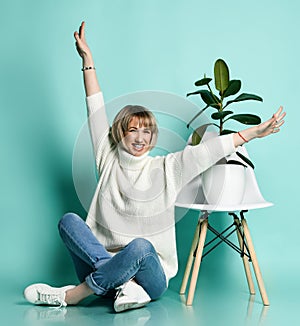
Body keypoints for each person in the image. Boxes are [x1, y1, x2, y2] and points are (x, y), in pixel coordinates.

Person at [23, 22, 286, 313]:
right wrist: (88, 62)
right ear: (120, 133)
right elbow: (95, 110)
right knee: (69, 221)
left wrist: (253, 133)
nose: (140, 137)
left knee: (140, 247)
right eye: (132, 130)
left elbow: (208, 151)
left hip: (150, 277)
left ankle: (73, 295)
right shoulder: (107, 159)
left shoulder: (167, 168)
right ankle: (118, 283)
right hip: (105, 264)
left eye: (146, 131)